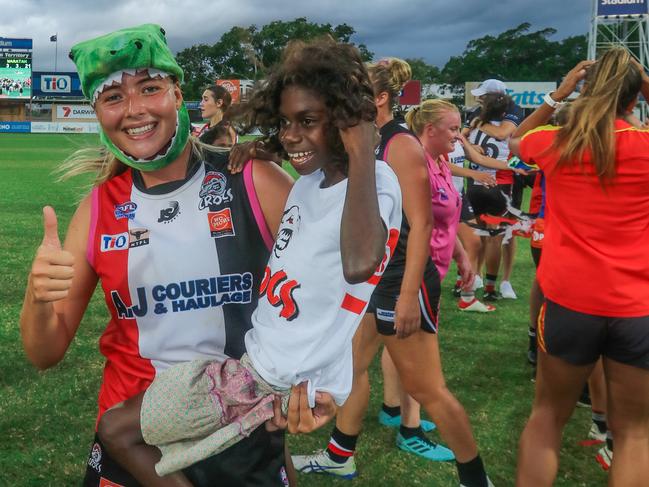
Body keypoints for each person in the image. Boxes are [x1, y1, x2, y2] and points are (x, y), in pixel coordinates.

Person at [19, 24, 334, 487]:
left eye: (149, 88)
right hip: (132, 443)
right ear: (98, 113)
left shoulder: (253, 180)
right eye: (113, 98)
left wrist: (323, 381)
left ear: (176, 92)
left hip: (236, 438)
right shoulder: (97, 211)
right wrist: (37, 294)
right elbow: (44, 353)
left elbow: (329, 291)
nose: (135, 110)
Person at [94, 36, 402, 485]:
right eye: (284, 121)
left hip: (263, 374)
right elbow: (310, 169)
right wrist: (274, 147)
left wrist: (360, 148)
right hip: (264, 360)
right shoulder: (313, 181)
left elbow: (360, 263)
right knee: (260, 459)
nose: (292, 132)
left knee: (116, 430)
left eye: (308, 120)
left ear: (347, 119)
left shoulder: (373, 182)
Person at [294, 59, 493, 487]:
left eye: (352, 91)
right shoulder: (364, 139)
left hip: (404, 280)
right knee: (349, 368)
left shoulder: (399, 144)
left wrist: (406, 296)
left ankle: (476, 479)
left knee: (427, 389)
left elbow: (421, 223)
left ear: (380, 98)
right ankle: (339, 457)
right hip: (373, 282)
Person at [511, 49, 649, 486]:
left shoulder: (558, 143)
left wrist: (559, 94)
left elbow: (517, 140)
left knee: (547, 421)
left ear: (586, 90)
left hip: (569, 301)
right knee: (636, 437)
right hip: (637, 307)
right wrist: (642, 79)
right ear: (633, 97)